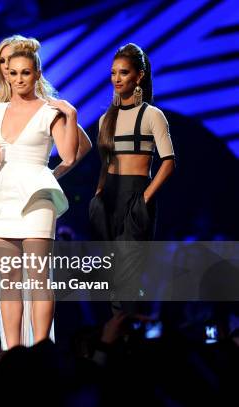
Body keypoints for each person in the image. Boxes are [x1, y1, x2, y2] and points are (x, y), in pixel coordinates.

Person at [0, 39, 79, 356]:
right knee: (9, 281)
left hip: (37, 196)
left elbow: (70, 155)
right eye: (14, 73)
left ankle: (40, 353)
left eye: (26, 73)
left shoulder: (51, 111)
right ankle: (12, 354)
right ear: (6, 75)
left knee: (37, 277)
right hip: (3, 195)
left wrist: (71, 116)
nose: (19, 79)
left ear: (36, 74)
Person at [89, 43, 175, 311]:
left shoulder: (152, 115)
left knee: (127, 280)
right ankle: (116, 338)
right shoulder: (106, 119)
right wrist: (98, 194)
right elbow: (105, 162)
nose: (116, 79)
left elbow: (169, 162)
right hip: (108, 198)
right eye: (113, 73)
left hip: (136, 194)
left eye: (123, 73)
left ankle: (125, 339)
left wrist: (145, 198)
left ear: (139, 76)